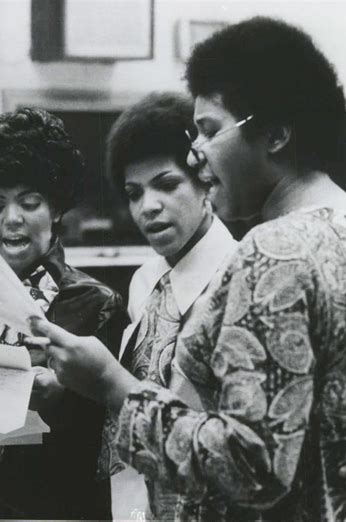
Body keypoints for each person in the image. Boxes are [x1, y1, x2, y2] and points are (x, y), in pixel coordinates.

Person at [29, 17, 346, 522]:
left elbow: (248, 466)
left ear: (276, 133)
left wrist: (110, 384)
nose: (197, 152)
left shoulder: (273, 253)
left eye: (211, 130)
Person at [0, 107, 127, 520]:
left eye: (29, 202)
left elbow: (114, 437)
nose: (12, 219)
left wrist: (66, 395)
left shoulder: (96, 304)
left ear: (57, 208)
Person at [104, 91, 237, 520]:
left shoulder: (241, 280)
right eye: (133, 192)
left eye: (166, 184)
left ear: (206, 182)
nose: (149, 207)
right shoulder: (144, 281)